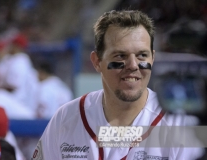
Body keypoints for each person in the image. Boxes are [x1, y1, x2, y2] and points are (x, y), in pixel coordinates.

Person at [32, 10, 203, 160]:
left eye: (142, 55)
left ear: (153, 58)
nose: (133, 65)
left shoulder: (182, 124)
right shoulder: (66, 118)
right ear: (97, 61)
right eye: (120, 56)